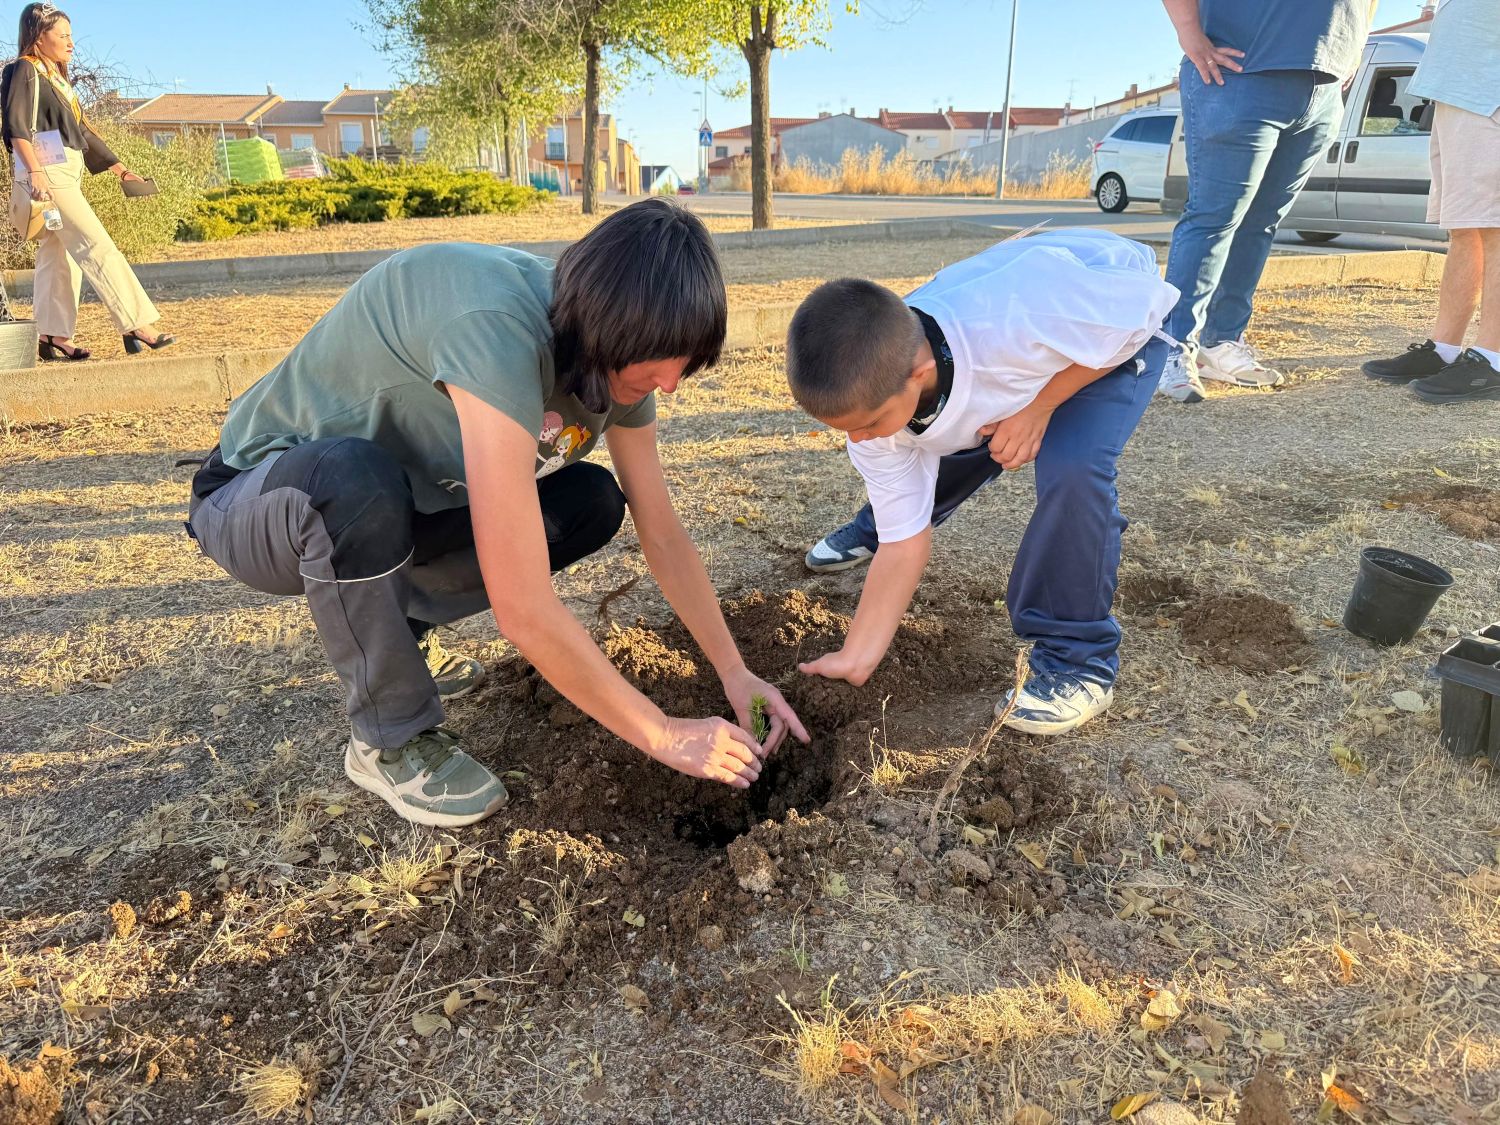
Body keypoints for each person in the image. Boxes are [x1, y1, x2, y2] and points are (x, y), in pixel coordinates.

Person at [186, 199, 807, 828]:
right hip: (262, 499)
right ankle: (390, 736)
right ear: (614, 327)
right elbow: (522, 606)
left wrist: (735, 671)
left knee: (588, 501)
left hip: (400, 512)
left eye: (686, 364)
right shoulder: (495, 330)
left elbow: (663, 531)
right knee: (356, 479)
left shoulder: (622, 365)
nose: (672, 383)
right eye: (662, 361)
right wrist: (662, 732)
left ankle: (398, 638)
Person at [790, 229, 1178, 735]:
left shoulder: (1017, 316)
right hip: (1016, 352)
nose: (858, 440)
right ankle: (874, 526)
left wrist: (1040, 406)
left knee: (1072, 466)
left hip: (1111, 323)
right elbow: (906, 544)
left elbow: (1142, 311)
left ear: (919, 372)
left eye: (868, 422)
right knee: (919, 447)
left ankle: (1079, 660)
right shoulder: (877, 382)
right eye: (846, 429)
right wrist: (857, 655)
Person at [1157, 0, 1374, 403]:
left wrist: (1355, 45)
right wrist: (1190, 33)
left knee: (1261, 225)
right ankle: (1172, 346)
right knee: (1214, 218)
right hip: (1241, 71)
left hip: (1323, 87)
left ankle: (1222, 343)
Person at [1, 3, 174, 361]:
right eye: (62, 35)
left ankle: (52, 335)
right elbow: (16, 127)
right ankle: (136, 321)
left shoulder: (56, 78)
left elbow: (82, 131)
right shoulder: (24, 70)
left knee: (58, 253)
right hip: (47, 172)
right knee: (97, 245)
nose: (71, 42)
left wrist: (121, 169)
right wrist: (34, 173)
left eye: (71, 35)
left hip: (65, 170)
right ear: (38, 35)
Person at [1361, 0, 1500, 405]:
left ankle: (1492, 359)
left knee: (1494, 228)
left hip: (1488, 94)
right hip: (1458, 94)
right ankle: (1445, 349)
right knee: (1465, 230)